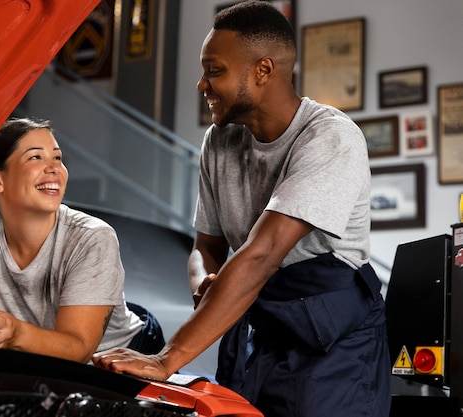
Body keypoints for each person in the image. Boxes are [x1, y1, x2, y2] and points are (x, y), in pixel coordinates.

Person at [92, 2, 390, 416]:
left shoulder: (330, 137)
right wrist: (203, 282)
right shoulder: (219, 142)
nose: (202, 84)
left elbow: (263, 253)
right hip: (261, 327)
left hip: (333, 341)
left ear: (263, 71)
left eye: (214, 71)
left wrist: (166, 359)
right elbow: (206, 245)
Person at [0, 117, 164, 363]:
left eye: (57, 157)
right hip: (32, 353)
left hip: (118, 353)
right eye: (36, 157)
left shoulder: (93, 236)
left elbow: (78, 348)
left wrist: (16, 333)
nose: (54, 168)